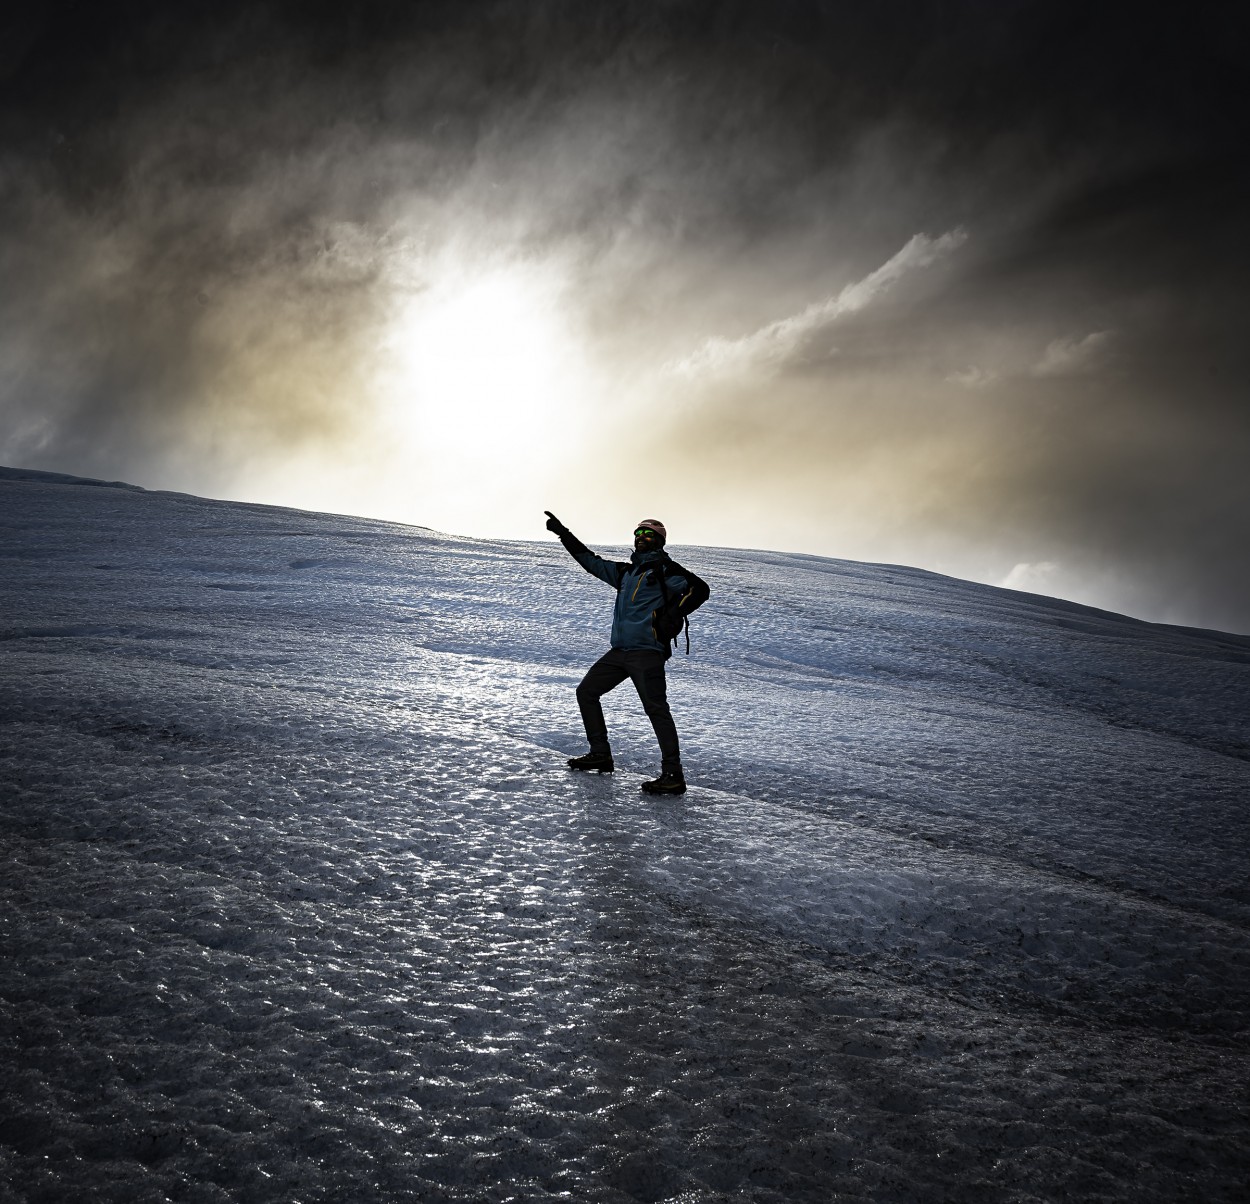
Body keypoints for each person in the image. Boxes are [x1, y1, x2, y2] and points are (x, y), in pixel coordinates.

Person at [544, 511, 708, 795]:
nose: (641, 539)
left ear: (660, 542)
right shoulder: (626, 573)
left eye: (648, 536)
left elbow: (700, 589)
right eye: (638, 534)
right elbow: (590, 561)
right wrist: (564, 534)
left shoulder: (665, 571)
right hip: (619, 652)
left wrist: (670, 616)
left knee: (656, 710)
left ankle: (673, 775)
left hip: (647, 652)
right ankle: (601, 754)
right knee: (586, 692)